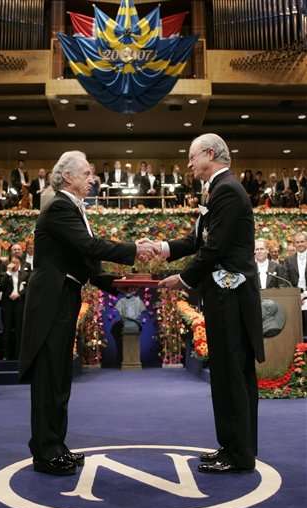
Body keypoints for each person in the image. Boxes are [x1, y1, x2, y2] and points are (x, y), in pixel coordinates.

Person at [19, 150, 157, 476]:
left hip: (64, 298)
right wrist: (134, 249)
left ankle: (56, 445)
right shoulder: (60, 208)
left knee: (59, 377)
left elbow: (87, 264)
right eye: (86, 173)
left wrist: (118, 283)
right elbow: (91, 248)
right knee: (49, 377)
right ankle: (45, 451)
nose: (91, 178)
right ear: (68, 177)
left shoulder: (73, 207)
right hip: (51, 302)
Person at [147, 133, 264, 473]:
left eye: (192, 156)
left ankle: (239, 454)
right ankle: (231, 446)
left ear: (210, 154)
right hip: (223, 298)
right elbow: (198, 240)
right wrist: (163, 247)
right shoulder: (220, 189)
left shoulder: (226, 189)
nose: (188, 164)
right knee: (226, 375)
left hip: (231, 298)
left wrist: (183, 280)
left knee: (232, 376)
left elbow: (215, 250)